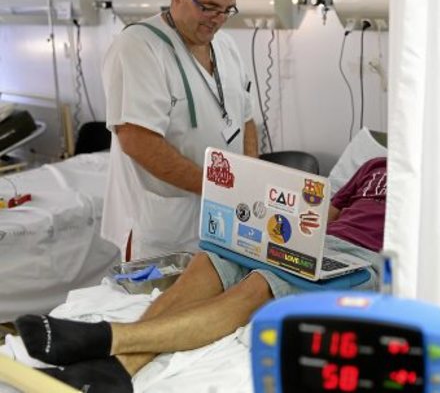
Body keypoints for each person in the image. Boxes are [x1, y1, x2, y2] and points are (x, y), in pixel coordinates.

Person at [15, 157, 388, 393]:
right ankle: (119, 369)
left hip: (358, 258)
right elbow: (327, 217)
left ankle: (104, 338)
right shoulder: (375, 165)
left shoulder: (426, 182)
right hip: (314, 246)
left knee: (260, 283)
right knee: (207, 261)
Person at [101, 0, 258, 261]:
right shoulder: (139, 47)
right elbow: (138, 141)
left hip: (223, 222)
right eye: (209, 7)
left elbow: (246, 119)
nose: (218, 20)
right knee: (164, 295)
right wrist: (219, 188)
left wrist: (249, 180)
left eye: (227, 10)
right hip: (163, 228)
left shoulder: (225, 46)